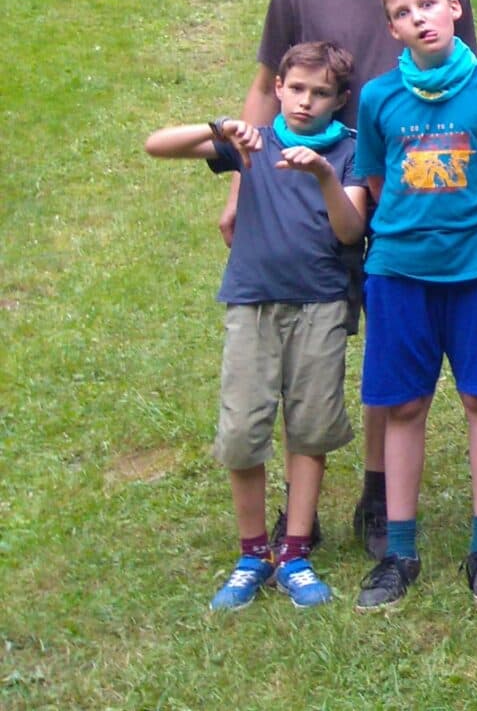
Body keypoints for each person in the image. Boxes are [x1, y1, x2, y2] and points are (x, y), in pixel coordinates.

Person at [243, 0, 476, 557]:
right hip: (323, 188)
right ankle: (298, 508)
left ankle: (378, 494)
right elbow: (264, 84)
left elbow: (471, 89)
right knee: (307, 342)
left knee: (390, 347)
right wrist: (240, 187)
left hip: (416, 195)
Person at [146, 41, 369, 610]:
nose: (306, 101)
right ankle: (252, 554)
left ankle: (294, 552)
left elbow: (350, 230)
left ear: (340, 99)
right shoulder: (253, 142)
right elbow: (156, 145)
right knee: (244, 430)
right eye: (296, 89)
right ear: (278, 89)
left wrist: (322, 174)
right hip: (252, 302)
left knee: (311, 428)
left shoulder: (350, 150)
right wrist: (221, 127)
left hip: (321, 304)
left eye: (321, 93)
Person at [348, 0, 477, 609]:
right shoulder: (378, 97)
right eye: (404, 13)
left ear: (454, 8)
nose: (419, 18)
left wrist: (465, 217)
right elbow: (376, 182)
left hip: (475, 266)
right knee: (403, 405)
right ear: (392, 29)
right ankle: (399, 550)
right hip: (398, 268)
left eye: (429, 5)